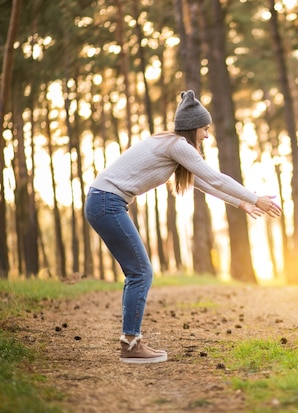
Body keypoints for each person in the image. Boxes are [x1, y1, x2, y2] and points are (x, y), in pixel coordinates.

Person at [84, 90, 282, 363]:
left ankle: (131, 342)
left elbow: (203, 182)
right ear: (192, 128)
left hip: (103, 201)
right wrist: (254, 197)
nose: (207, 136)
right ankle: (130, 345)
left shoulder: (172, 144)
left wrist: (241, 204)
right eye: (205, 129)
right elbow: (216, 177)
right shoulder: (177, 145)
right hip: (107, 203)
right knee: (140, 272)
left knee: (138, 272)